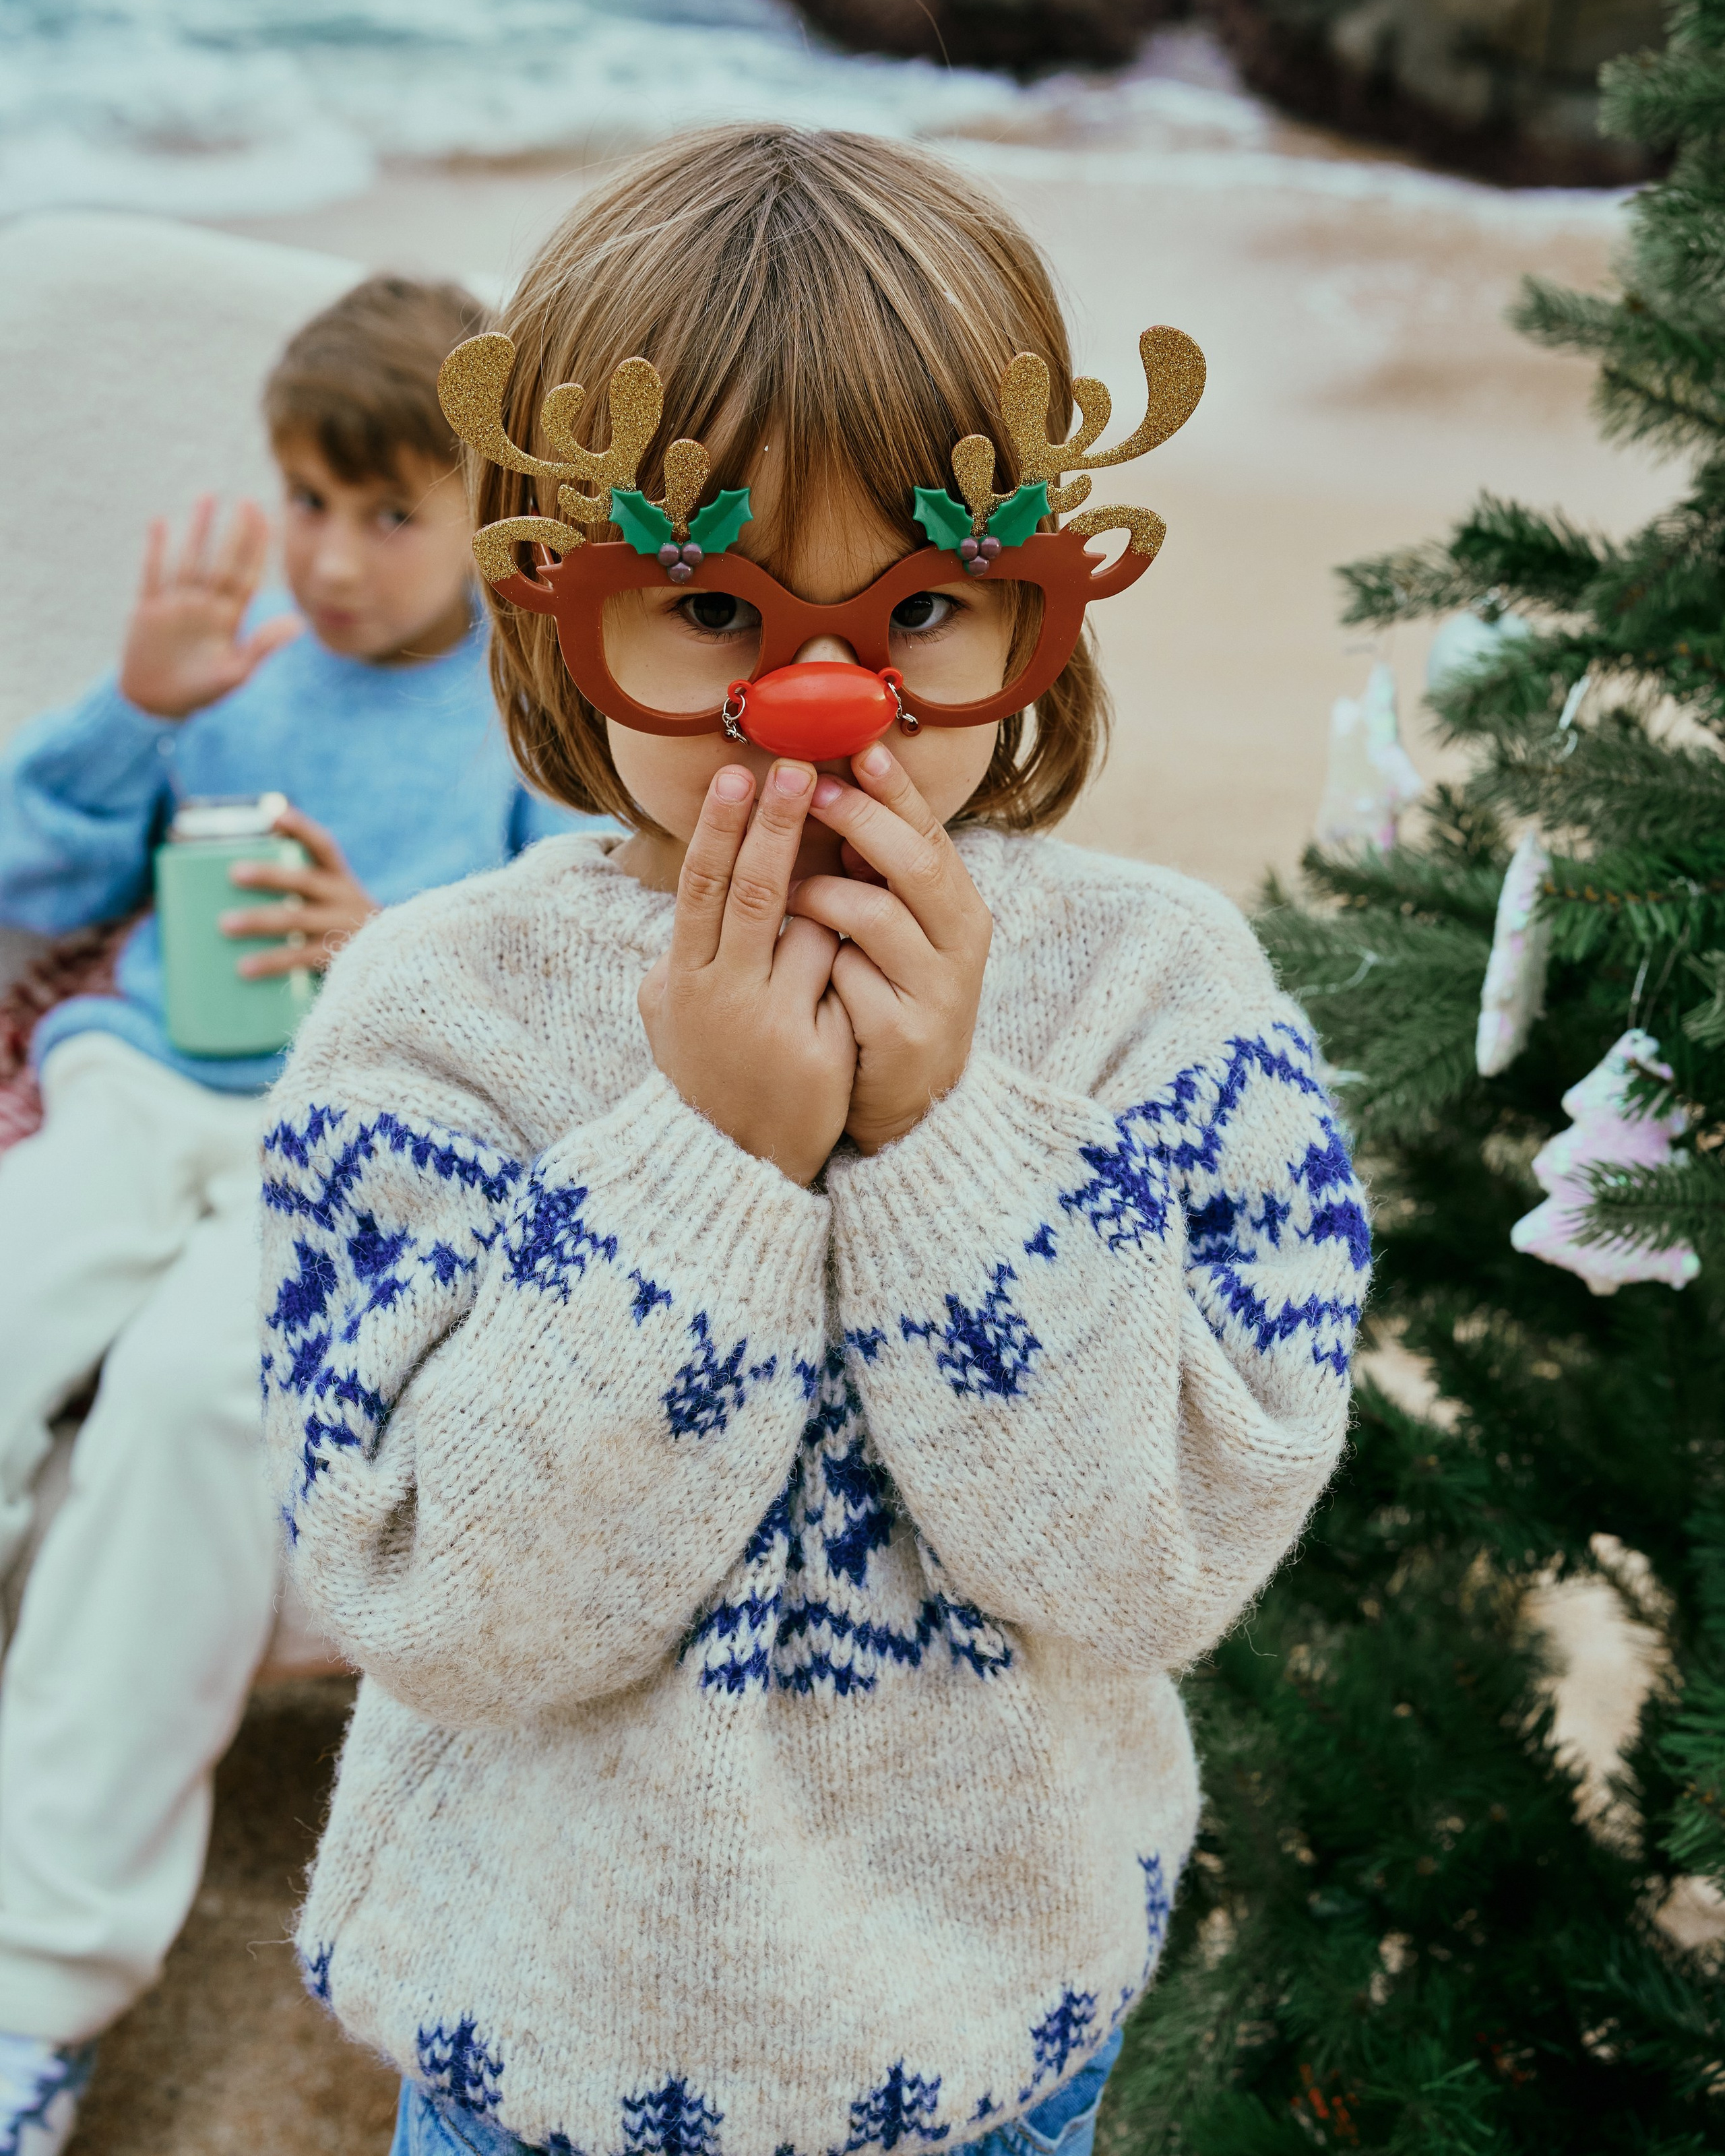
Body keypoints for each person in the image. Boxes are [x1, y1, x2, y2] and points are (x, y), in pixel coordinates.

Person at [258, 129, 1372, 2156]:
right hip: (542, 2040)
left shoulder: (1155, 994)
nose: (824, 705)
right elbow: (435, 1600)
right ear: (547, 605)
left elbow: (1162, 1562)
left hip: (994, 2041)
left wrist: (949, 1139)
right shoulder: (434, 1021)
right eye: (707, 608)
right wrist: (707, 1164)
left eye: (931, 603)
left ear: (1049, 594)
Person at [0, 275, 589, 2156]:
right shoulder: (234, 665)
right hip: (140, 1077)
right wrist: (130, 710)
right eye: (308, 503)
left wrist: (387, 951)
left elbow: (570, 983)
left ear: (488, 516)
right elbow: (35, 873)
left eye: (389, 513)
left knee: (187, 1396)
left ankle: (32, 1991)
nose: (333, 560)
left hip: (337, 1142)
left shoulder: (527, 710)